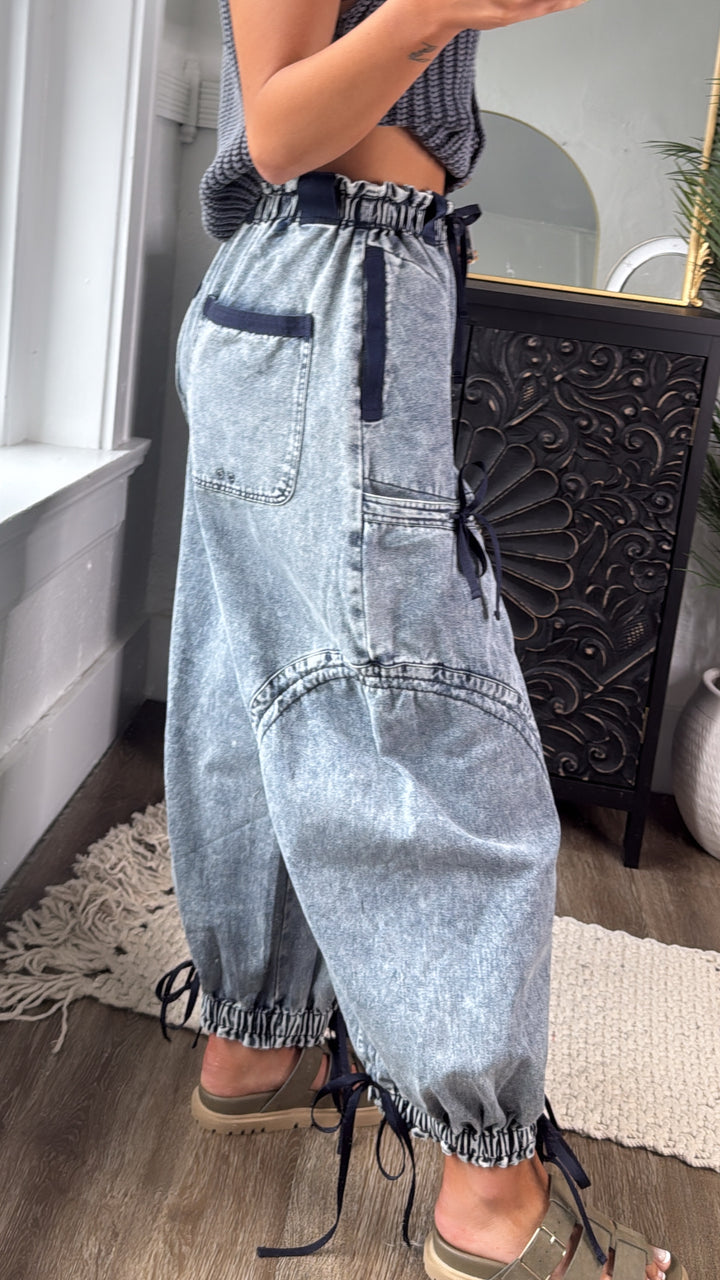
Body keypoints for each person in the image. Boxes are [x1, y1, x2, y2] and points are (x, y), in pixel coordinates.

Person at [159, 2, 685, 1277]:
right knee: (437, 731)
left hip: (325, 283)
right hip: (339, 278)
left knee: (260, 689)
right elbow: (281, 124)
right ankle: (491, 1193)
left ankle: (253, 1041)